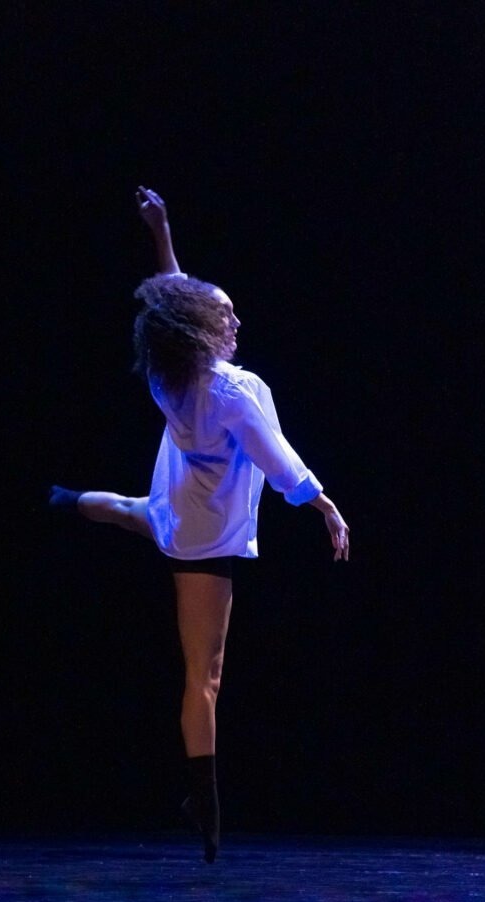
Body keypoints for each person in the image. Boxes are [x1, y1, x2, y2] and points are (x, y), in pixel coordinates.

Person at [50, 187, 349, 863]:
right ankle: (205, 803)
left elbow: (170, 293)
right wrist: (326, 506)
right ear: (199, 331)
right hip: (208, 533)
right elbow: (281, 465)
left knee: (134, 514)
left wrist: (161, 230)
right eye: (226, 316)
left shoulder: (167, 370)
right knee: (203, 676)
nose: (236, 321)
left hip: (175, 503)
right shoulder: (234, 392)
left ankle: (62, 499)